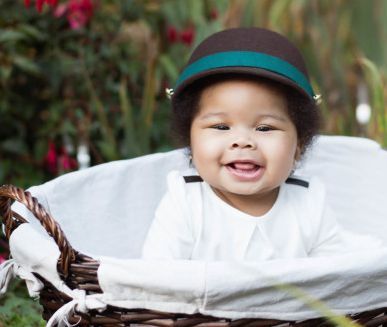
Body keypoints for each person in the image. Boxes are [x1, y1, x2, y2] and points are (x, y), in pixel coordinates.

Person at [142, 27, 362, 260]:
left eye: (265, 128)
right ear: (190, 140)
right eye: (221, 127)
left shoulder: (308, 202)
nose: (242, 142)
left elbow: (336, 277)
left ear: (299, 145)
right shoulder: (185, 203)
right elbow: (159, 280)